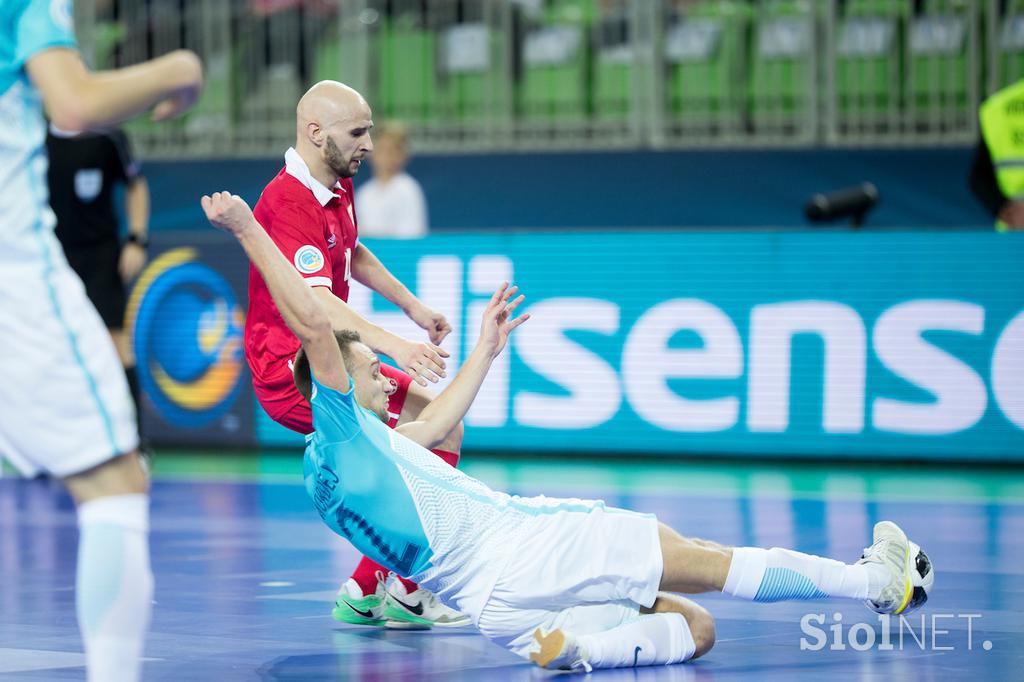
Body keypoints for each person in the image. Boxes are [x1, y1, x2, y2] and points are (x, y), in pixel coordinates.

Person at [204, 190, 932, 671]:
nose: (382, 377)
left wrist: (485, 351)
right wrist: (247, 229)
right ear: (331, 381)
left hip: (494, 610)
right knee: (706, 560)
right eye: (367, 369)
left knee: (694, 630)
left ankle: (578, 649)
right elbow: (309, 317)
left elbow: (439, 426)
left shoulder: (332, 471)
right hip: (532, 548)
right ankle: (876, 580)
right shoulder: (344, 423)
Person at [0, 1, 203, 680]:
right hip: (15, 278)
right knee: (115, 484)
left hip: (79, 259)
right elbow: (75, 101)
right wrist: (181, 68)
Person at [244, 80, 466, 629]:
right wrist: (398, 345)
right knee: (429, 432)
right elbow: (319, 302)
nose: (368, 142)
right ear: (317, 134)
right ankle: (396, 590)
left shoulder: (334, 181)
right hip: (292, 373)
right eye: (358, 131)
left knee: (442, 429)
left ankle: (370, 589)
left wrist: (411, 305)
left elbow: (353, 251)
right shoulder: (288, 200)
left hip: (334, 359)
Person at [46, 125, 151, 447]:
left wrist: (136, 238)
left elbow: (136, 186)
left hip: (100, 255)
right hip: (51, 256)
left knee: (115, 345)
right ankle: (56, 444)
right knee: (52, 349)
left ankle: (134, 444)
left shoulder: (108, 136)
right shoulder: (34, 135)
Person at [354, 120, 429, 238]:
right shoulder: (364, 193)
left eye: (392, 151)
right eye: (381, 149)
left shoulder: (408, 189)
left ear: (403, 155)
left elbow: (411, 236)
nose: (385, 156)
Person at [969, 78, 1024, 231]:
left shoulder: (998, 107)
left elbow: (978, 176)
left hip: (1013, 231)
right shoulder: (996, 109)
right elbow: (979, 175)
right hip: (1014, 231)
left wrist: (1004, 208)